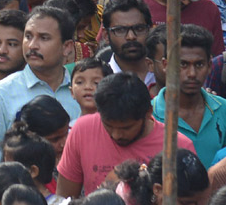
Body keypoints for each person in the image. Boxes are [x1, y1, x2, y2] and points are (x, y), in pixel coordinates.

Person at [0, 6, 81, 172]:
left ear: (67, 47)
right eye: (28, 36)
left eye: (44, 38)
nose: (32, 46)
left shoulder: (83, 92)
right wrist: (22, 152)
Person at [56, 71, 193, 198]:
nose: (116, 135)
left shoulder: (178, 146)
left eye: (126, 128)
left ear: (148, 113)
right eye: (108, 126)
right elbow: (64, 200)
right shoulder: (82, 130)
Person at [153, 25, 226, 167]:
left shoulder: (225, 109)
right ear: (165, 65)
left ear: (210, 65)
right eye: (183, 64)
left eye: (199, 64)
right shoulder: (150, 114)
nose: (192, 73)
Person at [100, 0, 156, 85]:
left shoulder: (165, 75)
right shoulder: (99, 80)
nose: (131, 36)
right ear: (106, 35)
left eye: (139, 28)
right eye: (120, 30)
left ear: (150, 30)